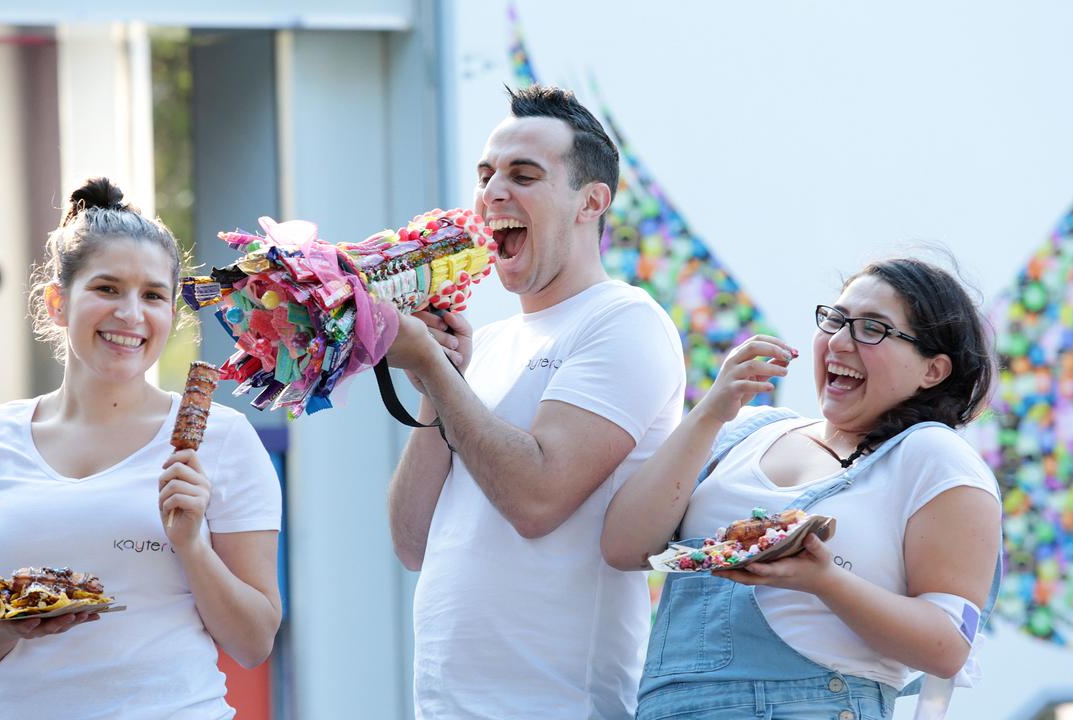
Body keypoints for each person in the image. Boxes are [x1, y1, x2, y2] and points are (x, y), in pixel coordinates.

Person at [384, 85, 687, 719]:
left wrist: (438, 378)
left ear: (591, 202)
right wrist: (441, 383)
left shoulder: (624, 320)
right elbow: (413, 541)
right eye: (486, 175)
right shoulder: (489, 343)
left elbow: (536, 499)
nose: (494, 193)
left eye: (524, 175)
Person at [0, 178, 283, 719]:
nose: (131, 315)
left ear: (171, 313)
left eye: (153, 296)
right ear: (57, 302)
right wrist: (7, 623)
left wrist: (192, 545)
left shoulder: (223, 438)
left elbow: (253, 643)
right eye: (107, 288)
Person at [602, 257, 1002, 720]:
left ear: (932, 371)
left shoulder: (934, 455)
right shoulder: (744, 430)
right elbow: (623, 546)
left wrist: (823, 581)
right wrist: (713, 409)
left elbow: (949, 645)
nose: (838, 341)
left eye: (872, 328)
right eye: (834, 320)